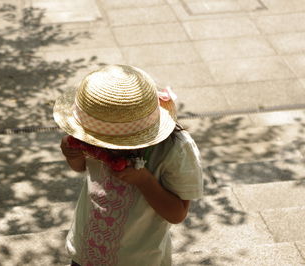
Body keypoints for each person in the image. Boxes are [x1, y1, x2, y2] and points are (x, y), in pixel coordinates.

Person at [53, 65, 203, 266]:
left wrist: (144, 181)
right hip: (87, 249)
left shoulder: (175, 150)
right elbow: (81, 167)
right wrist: (72, 154)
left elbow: (177, 213)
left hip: (139, 258)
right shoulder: (90, 134)